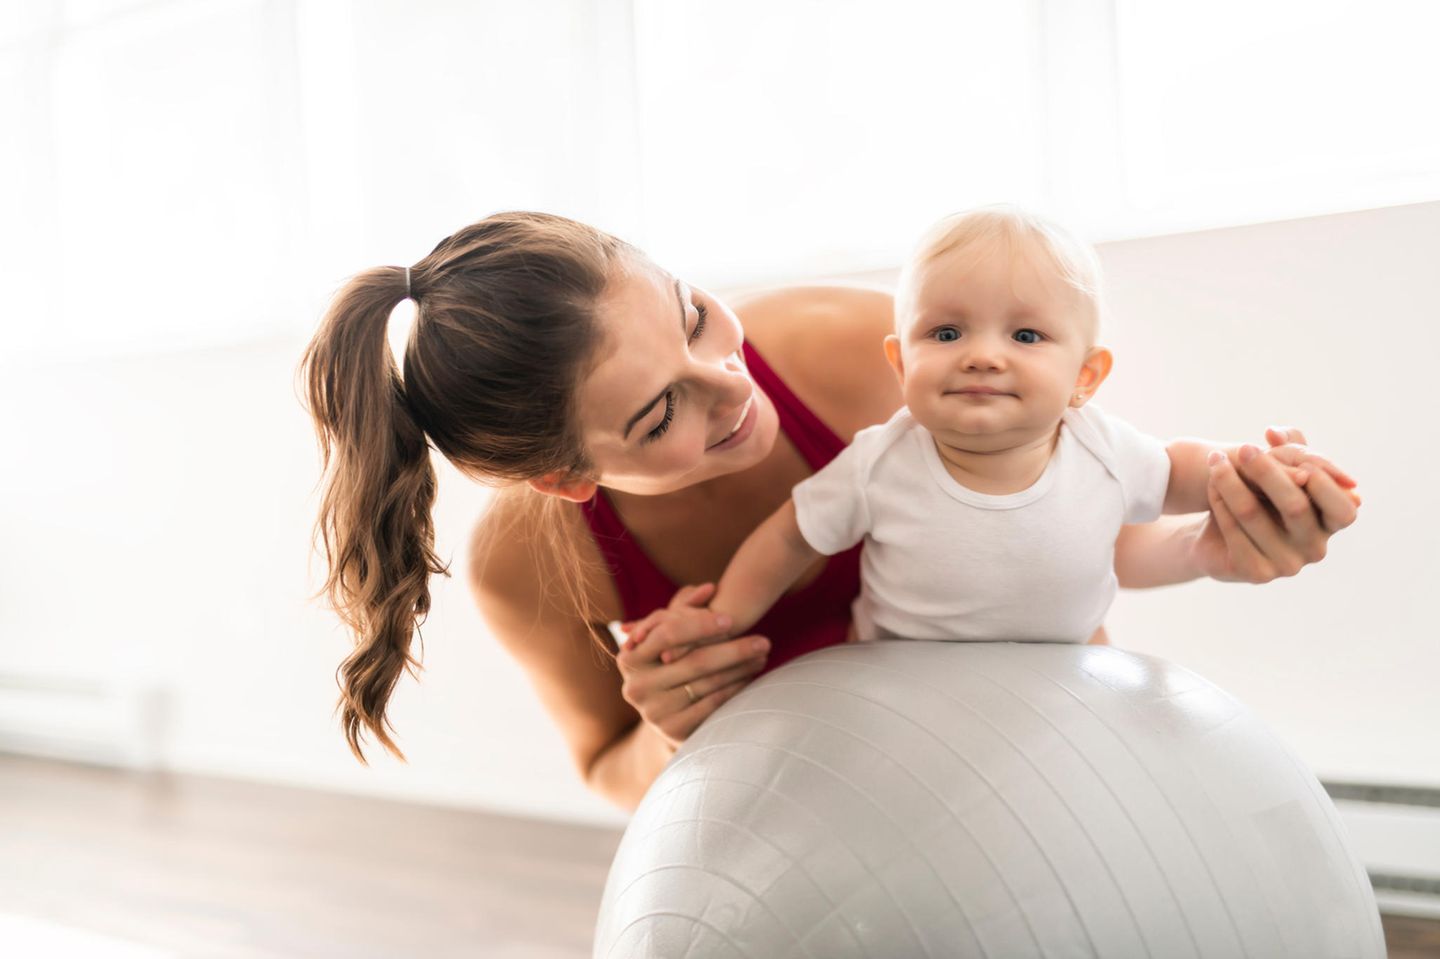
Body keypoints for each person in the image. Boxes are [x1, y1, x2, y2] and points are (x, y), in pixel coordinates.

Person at [299, 211, 1360, 811]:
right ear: (569, 478)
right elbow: (608, 766)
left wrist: (1219, 542)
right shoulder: (533, 566)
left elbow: (1078, 526)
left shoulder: (860, 352)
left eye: (693, 314)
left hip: (1036, 769)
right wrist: (675, 728)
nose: (734, 381)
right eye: (664, 408)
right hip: (813, 839)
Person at [620, 208, 1358, 654]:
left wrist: (1265, 472)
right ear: (900, 359)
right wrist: (721, 618)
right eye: (945, 331)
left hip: (1062, 675)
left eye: (1028, 335)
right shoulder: (882, 460)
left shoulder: (1100, 446)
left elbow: (1182, 471)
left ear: (1086, 377)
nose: (982, 353)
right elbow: (790, 538)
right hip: (900, 678)